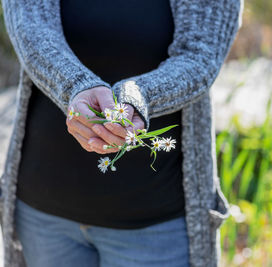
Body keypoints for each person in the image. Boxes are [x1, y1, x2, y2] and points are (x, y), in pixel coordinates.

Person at [0, 0, 242, 266]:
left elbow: (201, 54)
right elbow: (30, 28)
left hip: (156, 223)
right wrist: (75, 87)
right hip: (43, 214)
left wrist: (140, 97)